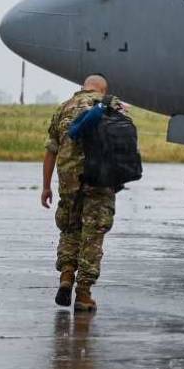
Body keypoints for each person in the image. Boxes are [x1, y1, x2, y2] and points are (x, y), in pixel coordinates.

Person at [41, 74, 123, 312]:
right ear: (103, 88)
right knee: (92, 235)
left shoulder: (63, 109)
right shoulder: (112, 105)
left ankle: (66, 276)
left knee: (70, 229)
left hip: (69, 181)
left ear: (83, 87)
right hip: (99, 180)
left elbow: (50, 152)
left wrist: (46, 186)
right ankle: (84, 294)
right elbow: (124, 144)